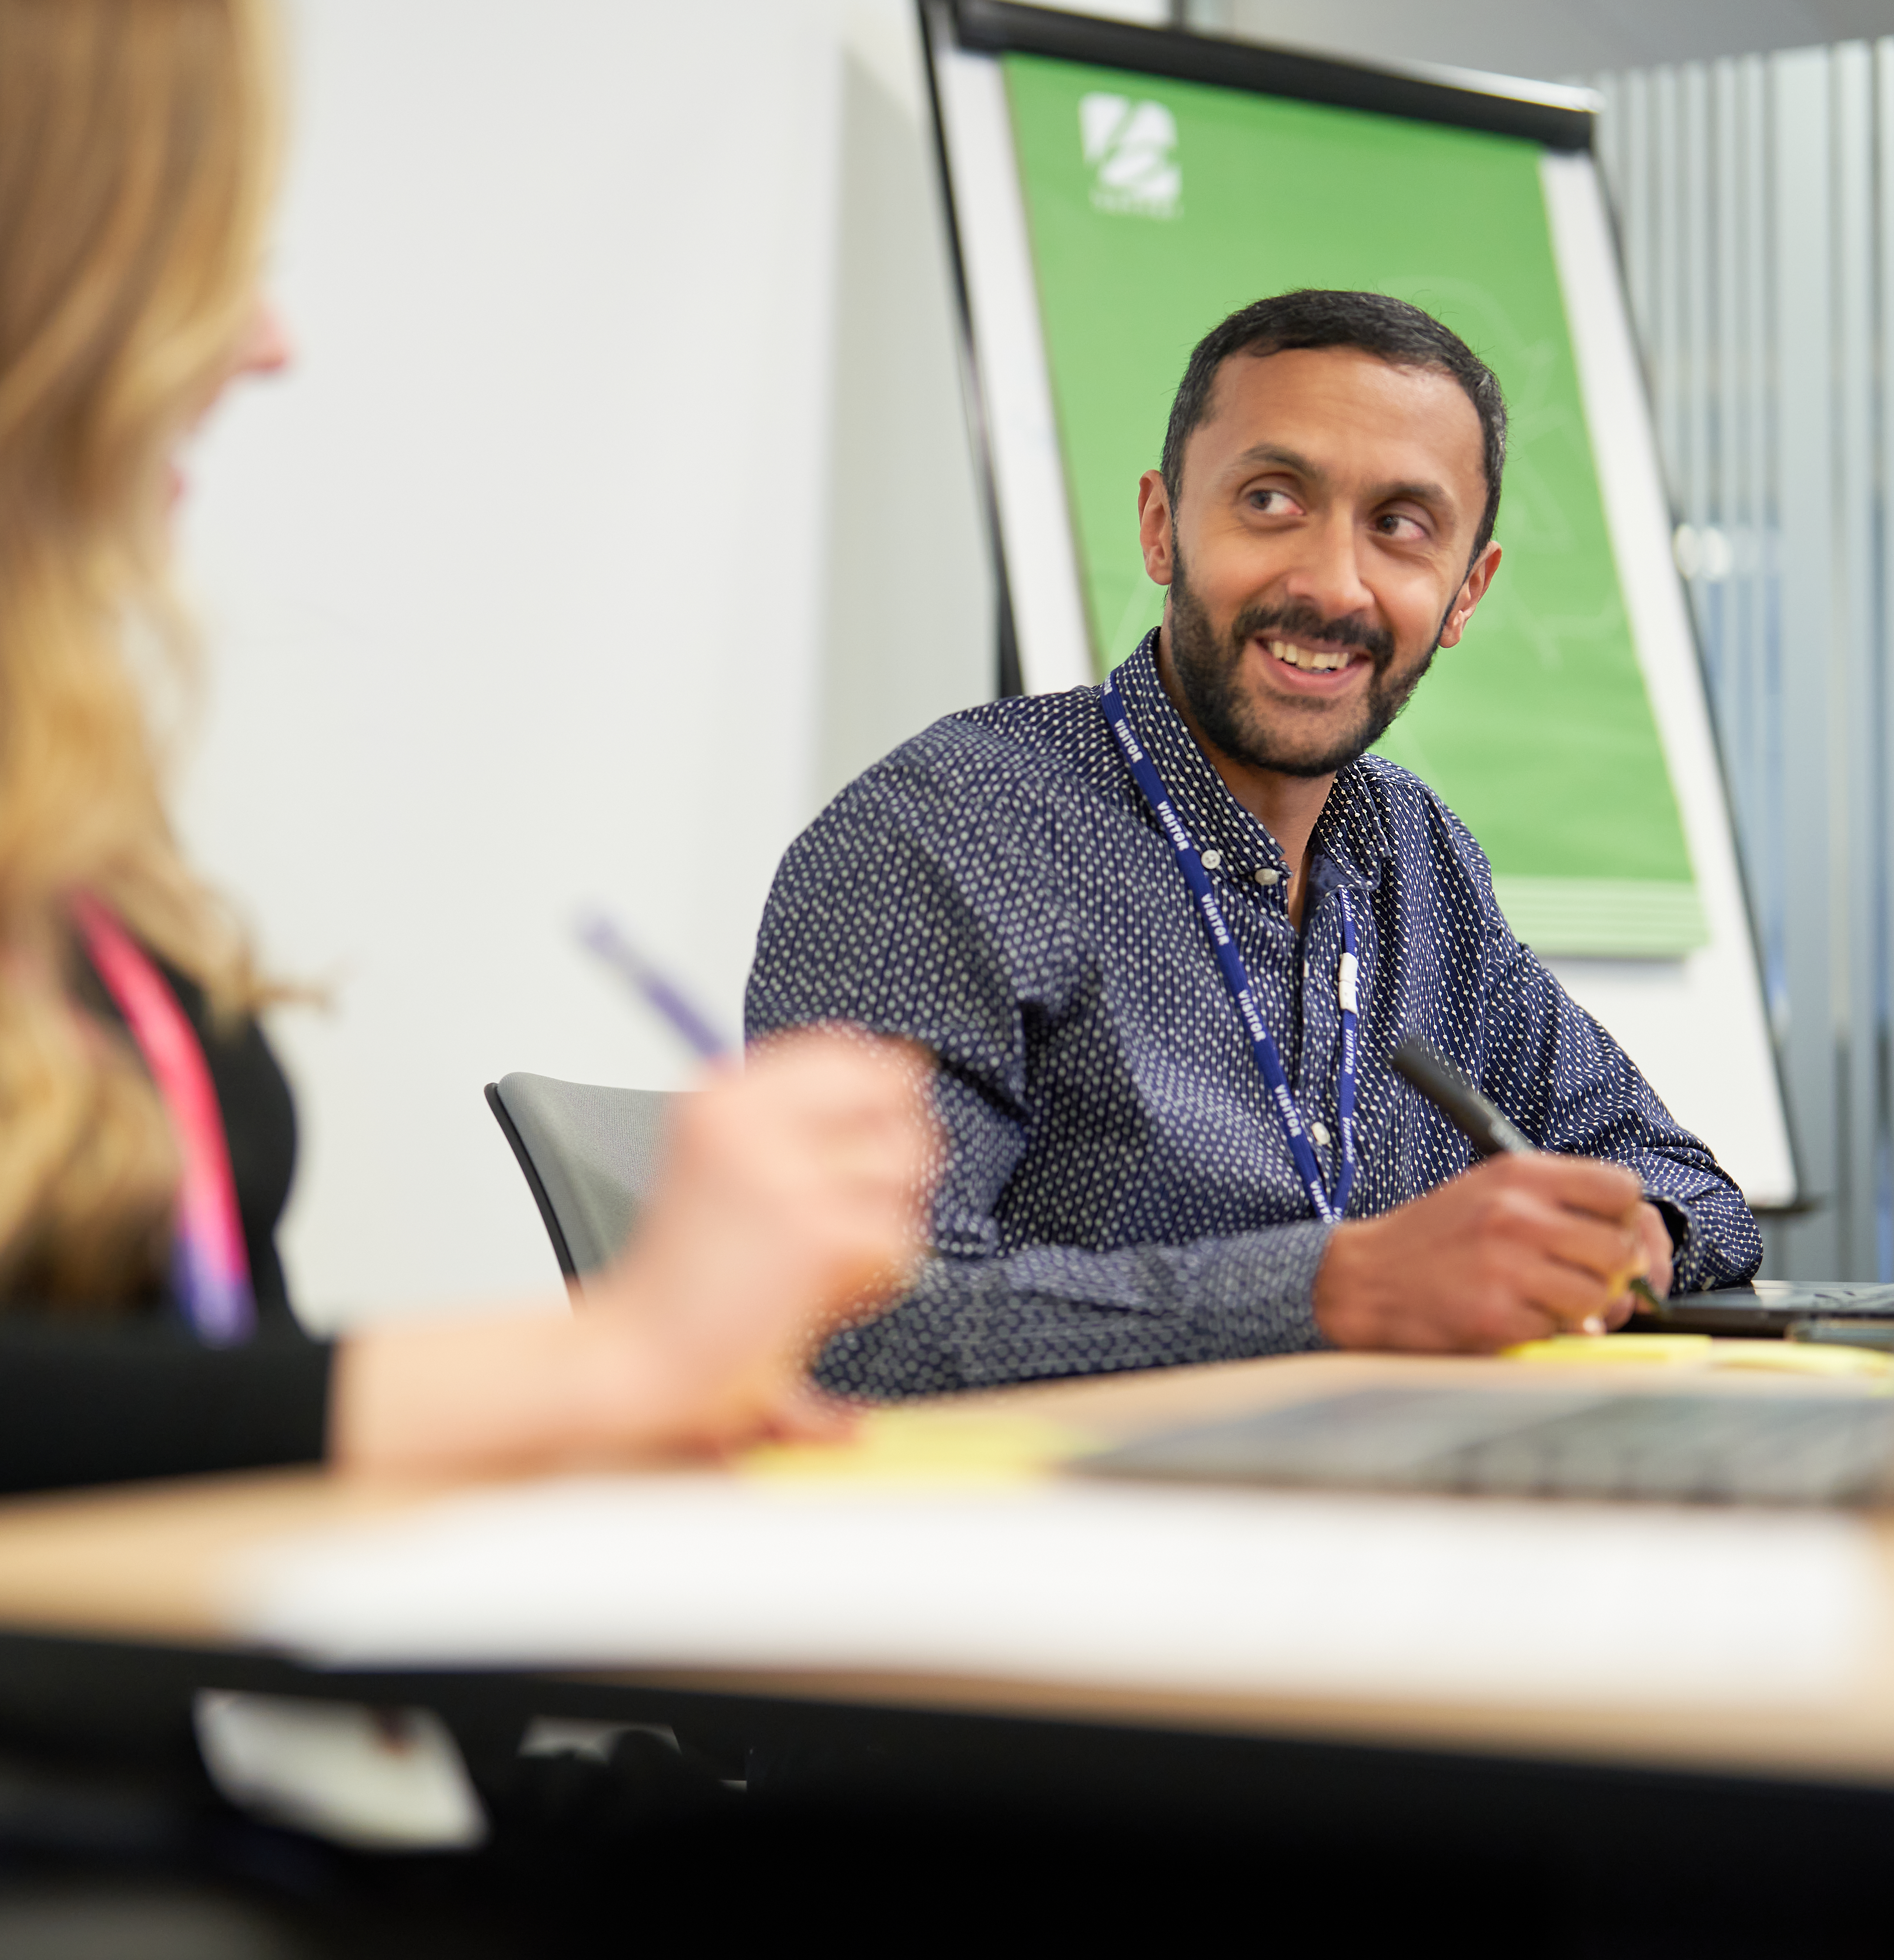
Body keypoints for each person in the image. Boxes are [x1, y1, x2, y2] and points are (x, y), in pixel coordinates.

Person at [0, 0, 926, 1717]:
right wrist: (603, 1356)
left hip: (187, 1768)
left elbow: (184, 1380)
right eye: (190, 259)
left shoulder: (1, 803)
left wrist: (613, 1417)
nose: (268, 342)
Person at [748, 289, 1760, 1399]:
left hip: (1384, 1510)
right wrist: (1330, 1289)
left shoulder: (1418, 858)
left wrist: (1629, 1239)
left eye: (1402, 527)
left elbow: (1683, 1180)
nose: (1332, 584)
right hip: (1060, 1541)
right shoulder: (946, 834)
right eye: (1272, 499)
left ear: (1467, 592)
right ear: (1159, 526)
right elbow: (843, 1316)